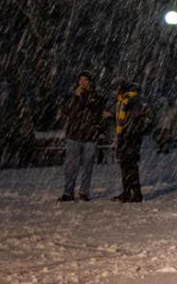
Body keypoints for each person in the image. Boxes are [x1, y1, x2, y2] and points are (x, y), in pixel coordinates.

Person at [57, 70, 106, 202]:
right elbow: (66, 110)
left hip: (90, 135)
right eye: (81, 80)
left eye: (85, 80)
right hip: (74, 135)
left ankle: (84, 191)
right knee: (71, 165)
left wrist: (98, 129)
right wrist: (76, 97)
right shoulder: (72, 96)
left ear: (90, 82)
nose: (82, 82)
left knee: (87, 165)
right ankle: (68, 192)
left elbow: (99, 113)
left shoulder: (97, 97)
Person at [111, 81, 153, 203]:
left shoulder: (132, 101)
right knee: (125, 165)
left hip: (130, 137)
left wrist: (134, 131)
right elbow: (123, 119)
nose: (115, 92)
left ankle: (135, 193)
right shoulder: (123, 101)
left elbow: (136, 120)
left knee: (130, 165)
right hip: (125, 136)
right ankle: (128, 192)